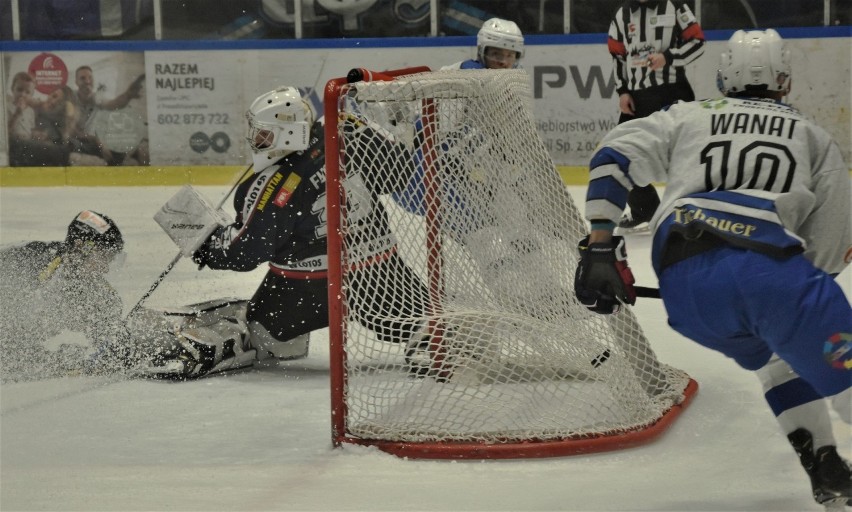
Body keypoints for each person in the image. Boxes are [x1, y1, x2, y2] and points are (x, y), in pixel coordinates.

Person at [575, 29, 851, 507]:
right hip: (773, 278)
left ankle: (824, 461)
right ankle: (825, 455)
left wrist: (600, 244)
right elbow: (830, 248)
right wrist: (787, 298)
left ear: (723, 77)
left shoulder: (688, 115)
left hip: (687, 292)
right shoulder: (813, 137)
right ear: (784, 79)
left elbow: (612, 155)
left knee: (774, 359)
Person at [141, 86, 433, 379]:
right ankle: (432, 336)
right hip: (381, 275)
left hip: (308, 287)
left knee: (260, 332)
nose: (256, 140)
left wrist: (206, 245)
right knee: (429, 321)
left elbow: (245, 252)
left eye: (264, 133)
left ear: (290, 134)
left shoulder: (275, 181)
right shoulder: (345, 134)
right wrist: (388, 134)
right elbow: (398, 176)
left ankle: (221, 346)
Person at [607, 0, 705, 233]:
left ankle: (693, 211)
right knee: (620, 152)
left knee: (687, 156)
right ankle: (646, 210)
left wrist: (668, 57)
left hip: (673, 91)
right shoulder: (623, 14)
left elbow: (698, 43)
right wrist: (623, 91)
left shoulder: (676, 6)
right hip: (637, 98)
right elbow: (618, 56)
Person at [0, 210, 132, 382]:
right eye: (103, 257)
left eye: (111, 259)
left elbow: (111, 339)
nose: (106, 269)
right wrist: (48, 359)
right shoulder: (28, 262)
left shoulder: (102, 295)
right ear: (81, 247)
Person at [71, 65, 148, 166]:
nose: (87, 81)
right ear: (76, 82)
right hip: (80, 140)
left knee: (126, 149)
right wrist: (99, 143)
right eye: (82, 78)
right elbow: (74, 131)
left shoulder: (96, 97)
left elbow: (113, 104)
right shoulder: (70, 97)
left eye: (90, 77)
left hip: (94, 140)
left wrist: (128, 95)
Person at [442, 17, 524, 71]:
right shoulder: (466, 73)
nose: (504, 62)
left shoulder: (514, 85)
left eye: (510, 55)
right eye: (496, 54)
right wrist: (459, 70)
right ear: (481, 52)